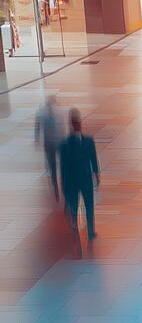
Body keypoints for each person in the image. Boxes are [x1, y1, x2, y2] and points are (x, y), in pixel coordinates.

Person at [59, 109, 99, 239]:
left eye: (77, 122)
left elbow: (93, 158)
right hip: (75, 181)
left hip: (82, 180)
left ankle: (90, 231)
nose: (77, 124)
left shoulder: (86, 141)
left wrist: (96, 173)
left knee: (87, 206)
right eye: (75, 122)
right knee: (77, 206)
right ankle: (79, 228)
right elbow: (63, 167)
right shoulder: (66, 144)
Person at [35, 96, 62, 200]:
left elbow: (37, 126)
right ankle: (55, 184)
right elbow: (37, 126)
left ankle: (55, 182)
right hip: (53, 142)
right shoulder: (44, 112)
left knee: (53, 164)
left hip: (53, 142)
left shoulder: (42, 112)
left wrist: (37, 139)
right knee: (53, 164)